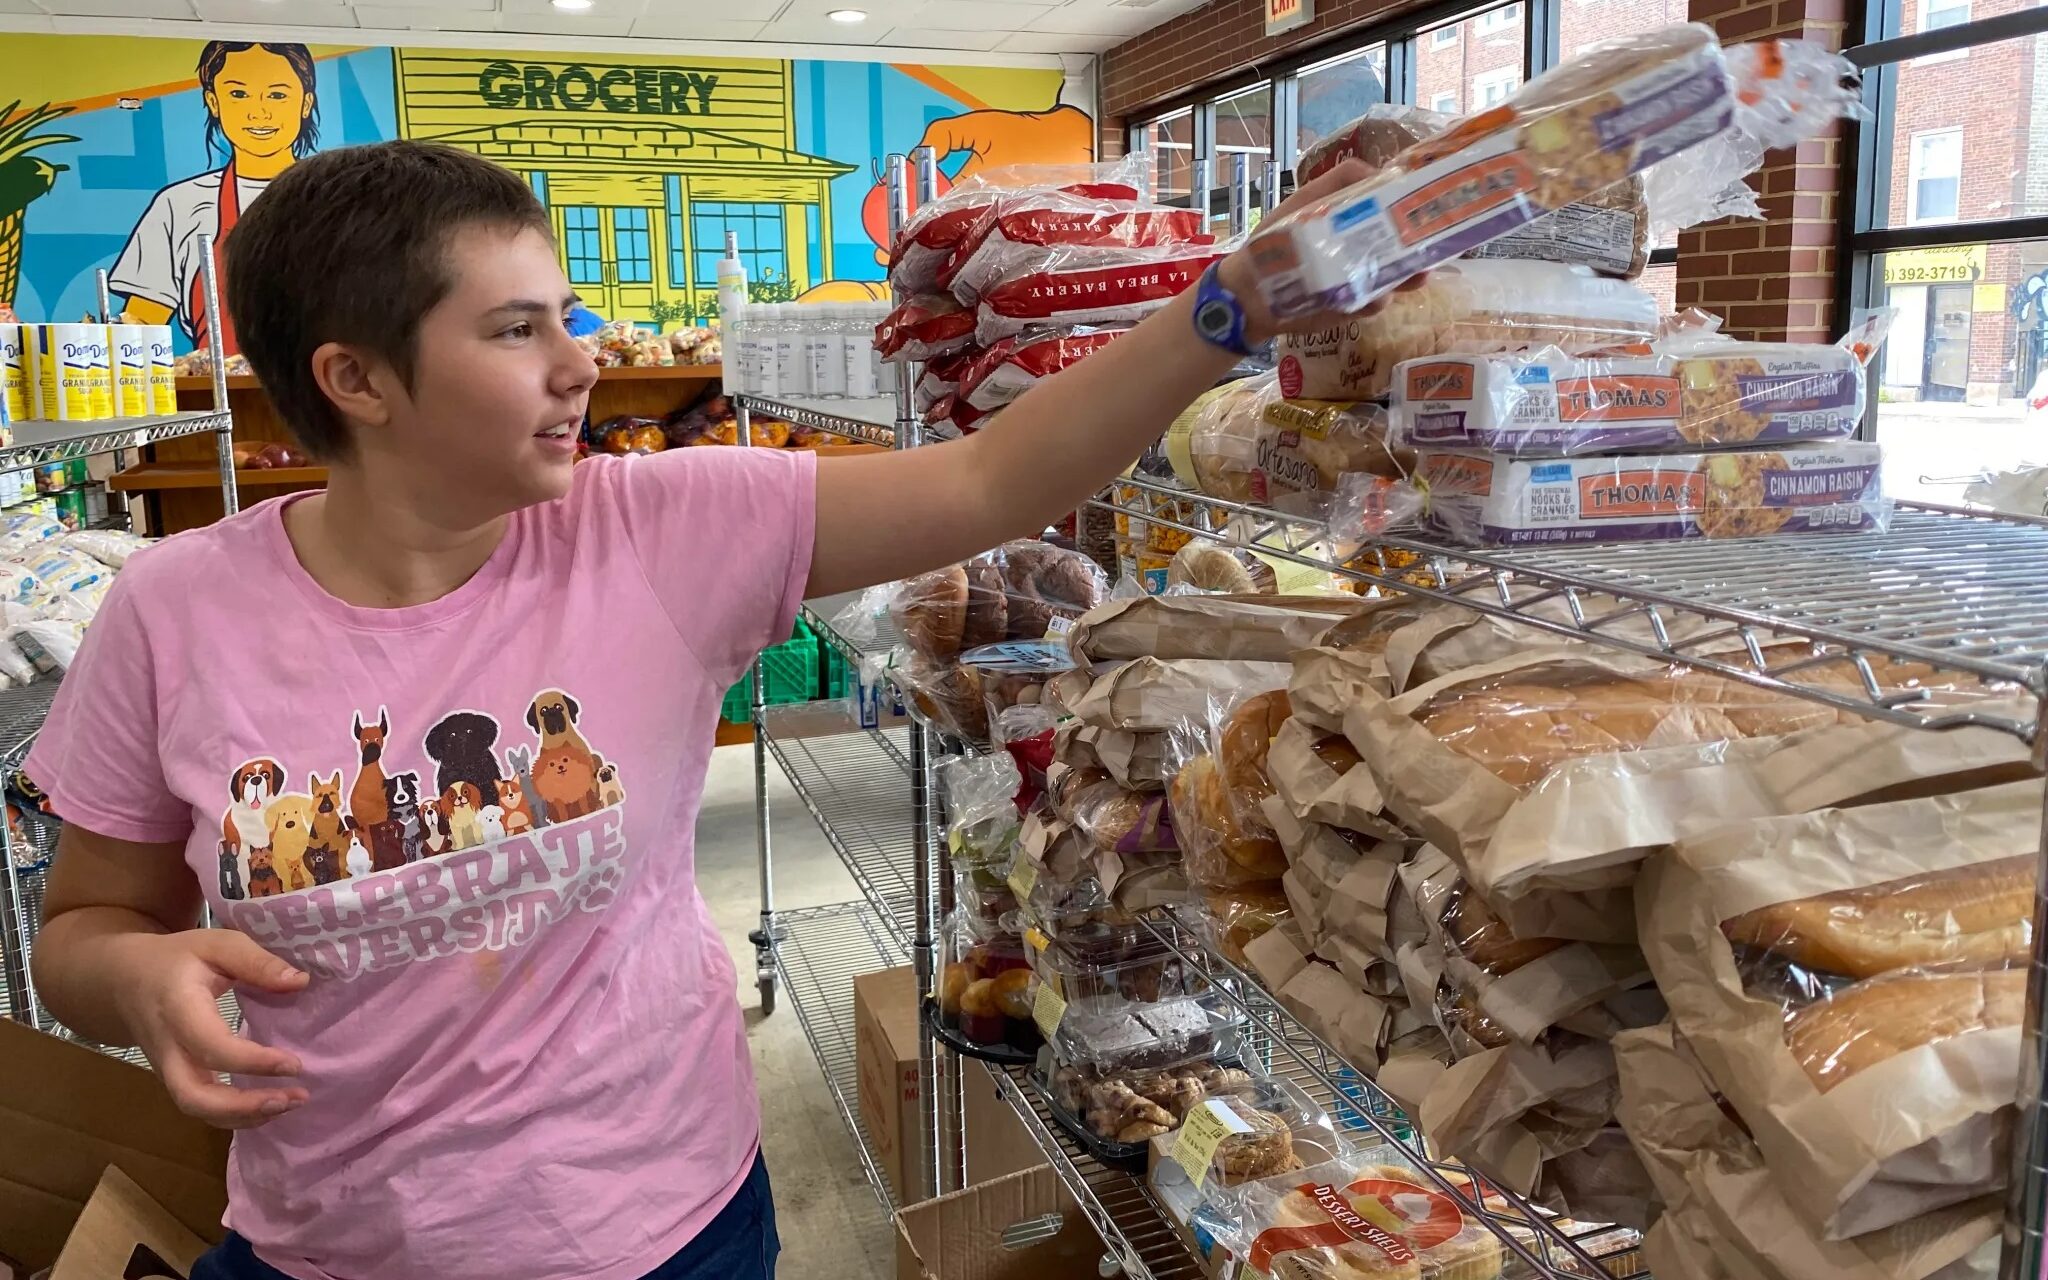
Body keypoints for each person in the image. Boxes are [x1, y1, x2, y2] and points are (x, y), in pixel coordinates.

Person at [26, 141, 1402, 1280]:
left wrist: (1228, 305)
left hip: (662, 1229)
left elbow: (995, 483)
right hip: (329, 1247)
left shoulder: (657, 528)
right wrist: (141, 979)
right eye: (516, 330)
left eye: (568, 314)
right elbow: (83, 928)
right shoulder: (176, 613)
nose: (579, 359)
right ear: (356, 380)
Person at [110, 41, 320, 356]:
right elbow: (141, 326)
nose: (259, 112)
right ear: (213, 101)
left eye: (277, 95)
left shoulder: (340, 201)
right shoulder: (178, 205)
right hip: (223, 396)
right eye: (238, 94)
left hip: (327, 397)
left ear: (305, 104)